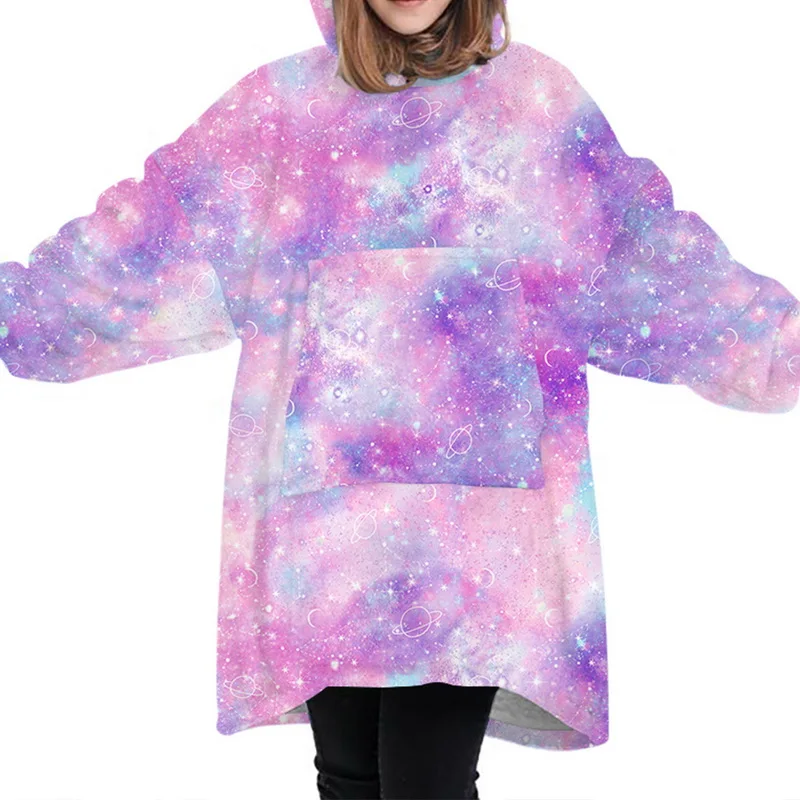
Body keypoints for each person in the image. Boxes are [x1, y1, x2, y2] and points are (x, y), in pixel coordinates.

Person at [2, 0, 798, 799]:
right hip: (325, 539)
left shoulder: (537, 110)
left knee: (427, 784)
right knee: (349, 780)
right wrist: (19, 312)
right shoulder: (279, 113)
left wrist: (778, 346)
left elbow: (647, 257)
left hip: (477, 548)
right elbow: (147, 243)